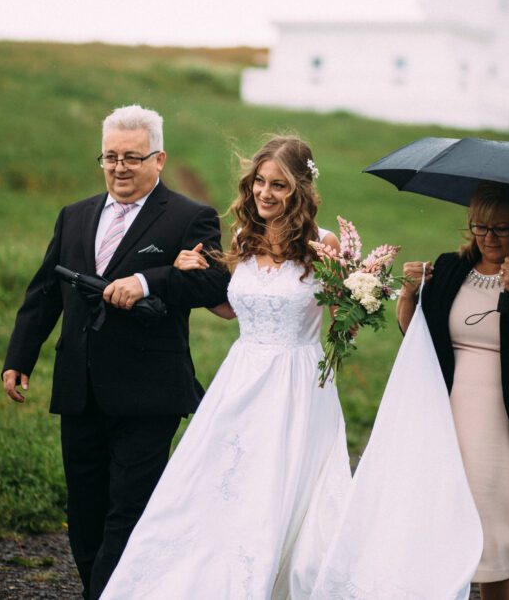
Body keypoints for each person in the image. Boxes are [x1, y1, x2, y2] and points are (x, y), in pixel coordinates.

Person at [100, 135, 353, 599]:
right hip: (241, 379)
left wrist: (359, 295)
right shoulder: (243, 238)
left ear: (300, 190)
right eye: (260, 182)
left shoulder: (324, 246)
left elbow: (344, 327)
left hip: (298, 383)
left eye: (278, 185)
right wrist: (193, 273)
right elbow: (234, 309)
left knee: (282, 489)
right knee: (219, 486)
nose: (265, 194)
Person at [0, 104, 230, 600]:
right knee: (84, 511)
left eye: (131, 156)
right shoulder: (75, 215)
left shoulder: (191, 218)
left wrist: (149, 281)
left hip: (150, 392)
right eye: (110, 157)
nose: (119, 167)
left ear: (159, 159)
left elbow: (215, 283)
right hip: (78, 387)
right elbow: (44, 293)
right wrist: (19, 358)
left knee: (129, 509)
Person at [396, 181, 509, 600]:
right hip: (448, 417)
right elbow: (415, 337)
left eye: (501, 229)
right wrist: (408, 294)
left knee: (496, 536)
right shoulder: (449, 268)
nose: (489, 238)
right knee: (441, 526)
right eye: (480, 227)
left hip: (508, 424)